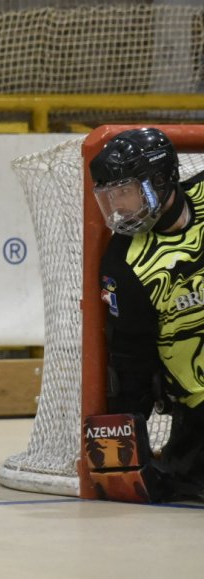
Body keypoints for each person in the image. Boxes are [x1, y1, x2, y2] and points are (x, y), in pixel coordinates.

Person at [90, 126, 204, 501]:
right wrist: (124, 455)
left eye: (125, 192)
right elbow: (131, 361)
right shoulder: (125, 263)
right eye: (110, 197)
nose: (118, 208)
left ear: (160, 180)